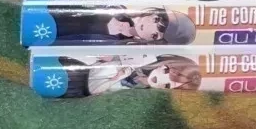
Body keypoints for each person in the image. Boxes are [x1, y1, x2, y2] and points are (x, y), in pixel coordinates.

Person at [58, 55, 202, 96]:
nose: (160, 80)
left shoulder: (137, 94)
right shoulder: (138, 59)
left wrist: (116, 79)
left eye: (167, 85)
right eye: (166, 71)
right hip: (71, 70)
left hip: (75, 91)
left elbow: (94, 90)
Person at [51, 7, 197, 45]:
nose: (149, 27)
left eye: (155, 34)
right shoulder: (117, 8)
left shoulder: (113, 47)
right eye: (156, 19)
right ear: (153, 13)